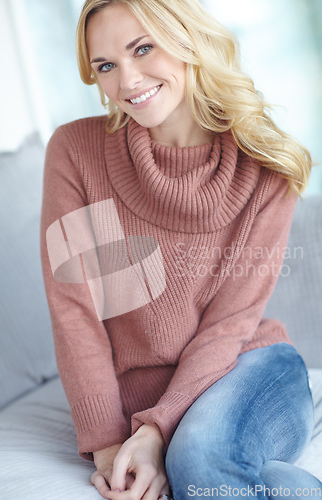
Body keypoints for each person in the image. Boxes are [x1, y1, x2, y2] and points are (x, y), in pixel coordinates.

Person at [40, 0, 322, 498]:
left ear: (186, 39)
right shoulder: (76, 154)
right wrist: (109, 444)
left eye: (142, 48)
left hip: (251, 370)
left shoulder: (265, 170)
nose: (127, 81)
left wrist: (157, 431)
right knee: (235, 477)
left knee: (195, 457)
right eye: (106, 66)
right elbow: (75, 313)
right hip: (148, 401)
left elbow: (229, 325)